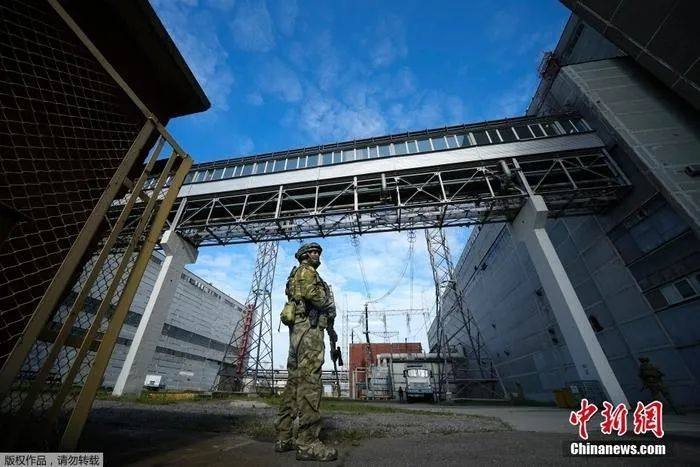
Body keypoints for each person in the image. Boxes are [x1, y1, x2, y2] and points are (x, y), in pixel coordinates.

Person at [274, 242, 338, 462]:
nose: (317, 255)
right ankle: (308, 443)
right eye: (313, 252)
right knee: (310, 382)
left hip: (298, 332)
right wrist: (330, 305)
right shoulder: (307, 272)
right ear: (304, 255)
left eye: (318, 252)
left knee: (294, 383)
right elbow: (314, 296)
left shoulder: (297, 274)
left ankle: (284, 437)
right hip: (309, 331)